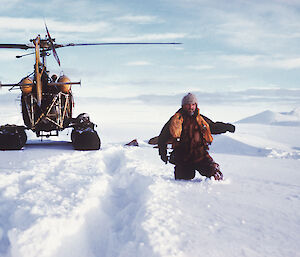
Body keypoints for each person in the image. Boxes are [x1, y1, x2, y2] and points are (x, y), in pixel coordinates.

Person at [158, 93, 235, 181]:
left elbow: (213, 127)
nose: (191, 107)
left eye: (193, 104)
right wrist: (162, 153)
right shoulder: (175, 121)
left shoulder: (201, 120)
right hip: (183, 157)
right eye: (188, 105)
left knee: (215, 175)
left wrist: (227, 127)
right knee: (182, 181)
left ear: (196, 105)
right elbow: (163, 137)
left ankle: (213, 168)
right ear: (183, 106)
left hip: (200, 155)